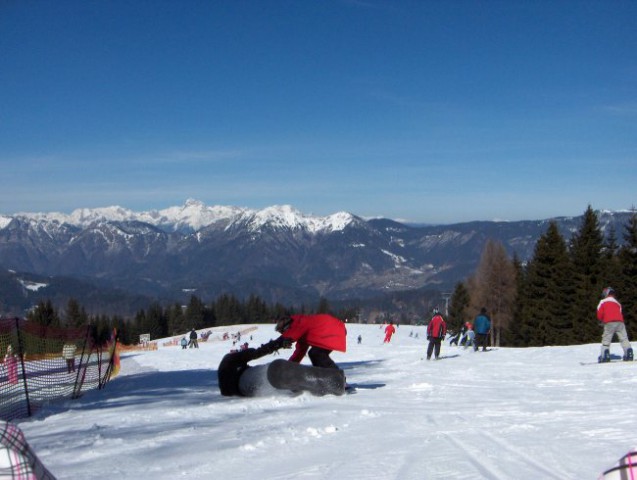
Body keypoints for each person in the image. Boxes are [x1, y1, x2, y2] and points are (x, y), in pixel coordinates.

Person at [217, 337, 346, 397]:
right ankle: (332, 381)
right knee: (276, 372)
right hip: (248, 378)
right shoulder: (231, 359)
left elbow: (226, 392)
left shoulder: (224, 376)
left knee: (284, 384)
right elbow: (257, 352)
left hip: (247, 390)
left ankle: (326, 385)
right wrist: (277, 344)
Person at [274, 314, 347, 370]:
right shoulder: (300, 330)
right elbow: (299, 352)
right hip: (332, 329)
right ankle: (325, 376)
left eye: (282, 332)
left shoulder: (299, 326)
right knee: (314, 353)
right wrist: (289, 366)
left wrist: (289, 367)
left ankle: (337, 378)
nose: (284, 334)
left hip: (332, 330)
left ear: (287, 328)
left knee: (316, 353)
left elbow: (299, 352)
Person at [597, 287, 633, 363]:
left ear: (606, 293)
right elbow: (619, 312)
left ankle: (605, 355)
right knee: (623, 338)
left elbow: (599, 313)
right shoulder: (617, 303)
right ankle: (629, 353)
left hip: (609, 322)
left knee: (606, 339)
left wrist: (601, 320)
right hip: (620, 322)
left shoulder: (603, 301)